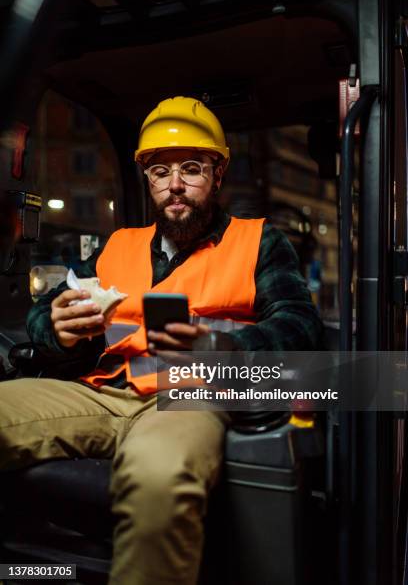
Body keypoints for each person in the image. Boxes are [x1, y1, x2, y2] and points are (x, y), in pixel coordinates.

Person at [0, 96, 322, 585]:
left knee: (159, 479)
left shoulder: (259, 242)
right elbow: (49, 312)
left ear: (217, 175)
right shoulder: (117, 245)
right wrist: (58, 330)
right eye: (159, 171)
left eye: (190, 169)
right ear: (146, 179)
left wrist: (221, 347)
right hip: (100, 388)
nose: (174, 185)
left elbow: (299, 326)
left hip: (188, 396)